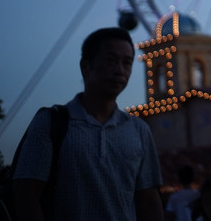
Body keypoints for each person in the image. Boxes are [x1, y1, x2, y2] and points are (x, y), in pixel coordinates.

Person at [13, 27, 164, 221]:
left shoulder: (139, 130)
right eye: (111, 61)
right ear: (86, 67)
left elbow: (149, 200)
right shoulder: (50, 123)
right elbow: (26, 193)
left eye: (127, 63)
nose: (120, 70)